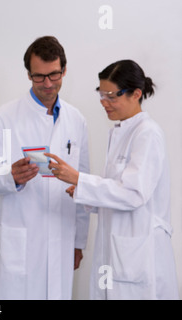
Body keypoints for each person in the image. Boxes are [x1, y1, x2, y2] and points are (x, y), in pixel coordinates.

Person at [46, 59, 179, 299]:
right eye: (101, 94)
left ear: (136, 94)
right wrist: (82, 191)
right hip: (118, 252)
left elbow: (133, 194)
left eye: (111, 96)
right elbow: (118, 192)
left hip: (140, 256)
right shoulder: (122, 132)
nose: (104, 103)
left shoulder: (147, 134)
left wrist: (80, 180)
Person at [0, 36, 90, 299]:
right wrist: (11, 177)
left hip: (62, 237)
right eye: (39, 77)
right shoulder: (4, 117)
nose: (48, 84)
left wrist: (79, 242)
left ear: (64, 70)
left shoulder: (77, 120)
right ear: (28, 75)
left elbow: (82, 185)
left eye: (54, 75)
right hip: (22, 239)